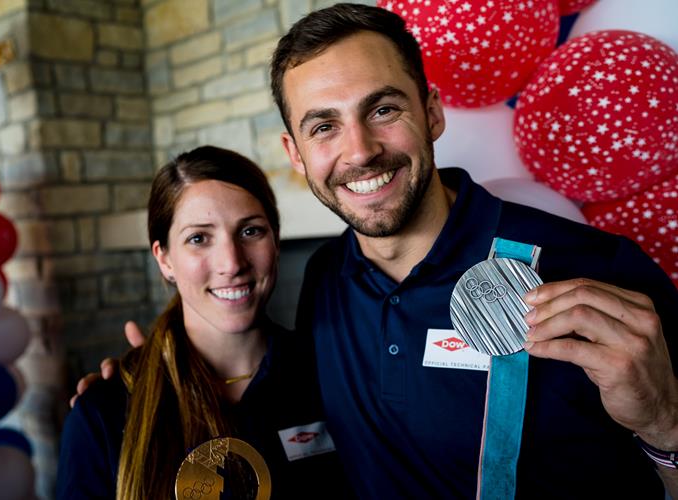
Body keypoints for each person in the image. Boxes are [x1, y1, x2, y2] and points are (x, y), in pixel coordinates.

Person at [78, 3, 678, 498]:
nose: (360, 151)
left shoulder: (596, 270)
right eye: (324, 126)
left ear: (433, 112)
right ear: (295, 154)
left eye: (383, 109)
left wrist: (664, 426)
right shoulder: (324, 280)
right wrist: (155, 373)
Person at [56, 146, 352, 499]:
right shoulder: (105, 412)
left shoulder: (333, 376)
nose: (231, 262)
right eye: (198, 238)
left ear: (275, 240)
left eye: (251, 231)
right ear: (164, 259)